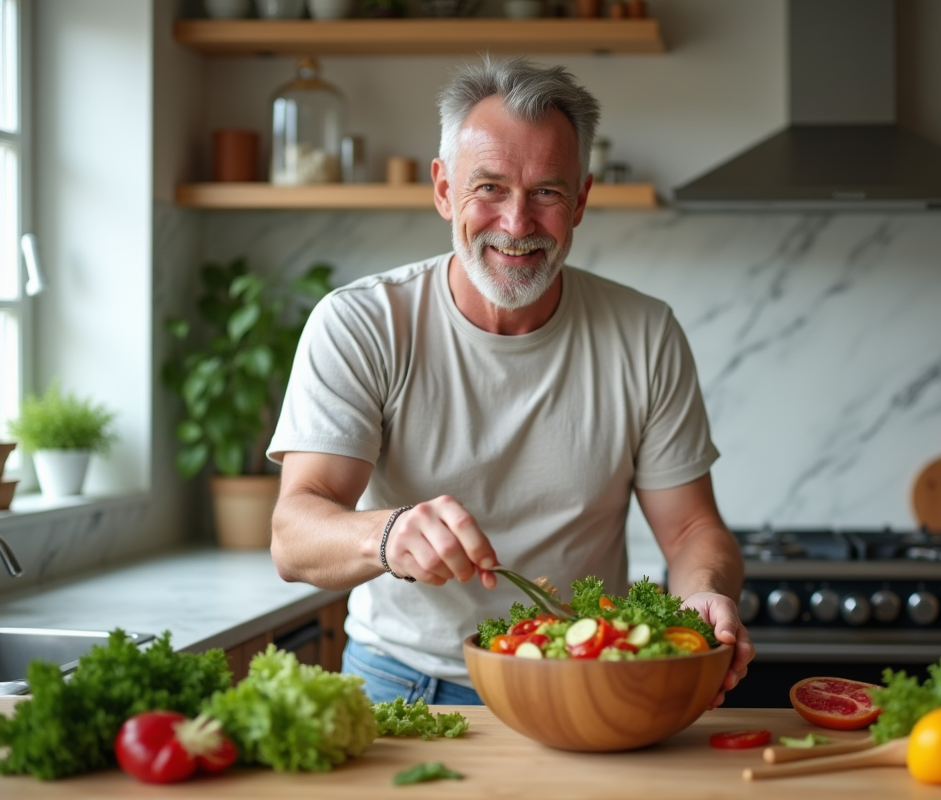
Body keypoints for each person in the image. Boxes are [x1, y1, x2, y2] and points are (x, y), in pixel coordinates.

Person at [267, 55, 753, 707]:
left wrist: (703, 594)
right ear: (443, 189)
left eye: (546, 192)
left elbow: (693, 531)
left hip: (581, 680)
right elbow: (294, 534)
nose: (518, 223)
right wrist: (385, 535)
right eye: (490, 187)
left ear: (580, 200)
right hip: (400, 682)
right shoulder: (362, 323)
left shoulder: (645, 333)